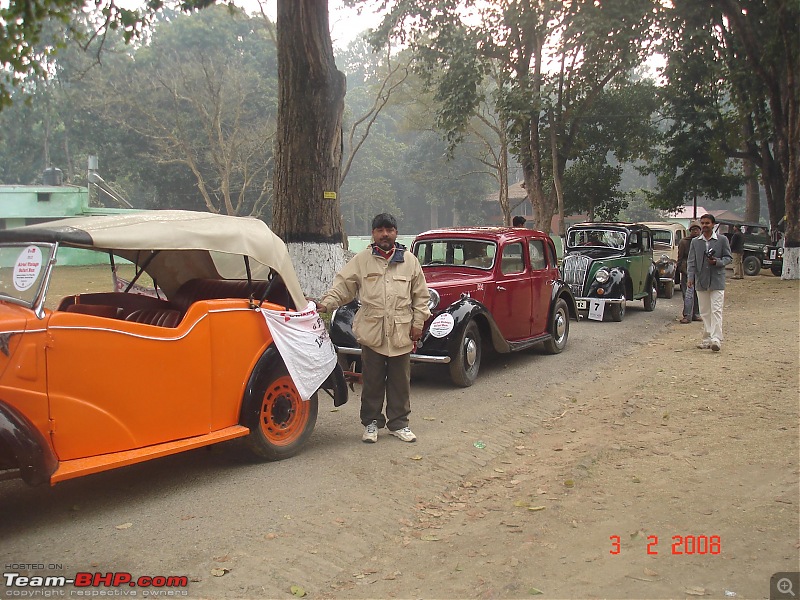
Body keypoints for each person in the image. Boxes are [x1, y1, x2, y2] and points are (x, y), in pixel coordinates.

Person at [316, 213, 431, 443]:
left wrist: (418, 323)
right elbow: (343, 287)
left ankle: (399, 424)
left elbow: (421, 296)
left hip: (401, 331)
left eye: (389, 229)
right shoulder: (362, 260)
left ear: (396, 233)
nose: (385, 234)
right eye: (380, 230)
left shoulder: (410, 261)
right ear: (373, 234)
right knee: (372, 380)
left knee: (400, 382)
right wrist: (325, 303)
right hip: (372, 330)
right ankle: (371, 423)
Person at [687, 213, 732, 352]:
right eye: (703, 223)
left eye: (707, 223)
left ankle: (716, 339)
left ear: (713, 224)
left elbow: (728, 258)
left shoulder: (722, 240)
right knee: (705, 311)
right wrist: (690, 277)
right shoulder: (696, 242)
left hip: (717, 280)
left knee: (716, 310)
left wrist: (717, 262)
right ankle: (707, 338)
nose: (705, 226)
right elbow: (691, 261)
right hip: (701, 280)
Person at [677, 221, 702, 324]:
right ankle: (687, 315)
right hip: (686, 270)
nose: (695, 231)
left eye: (697, 229)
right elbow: (680, 257)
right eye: (693, 230)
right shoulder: (684, 242)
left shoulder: (702, 242)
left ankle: (696, 313)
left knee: (698, 294)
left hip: (699, 271)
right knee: (687, 294)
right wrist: (679, 268)